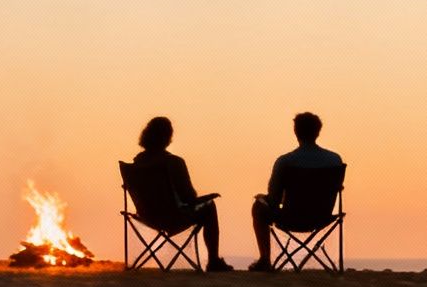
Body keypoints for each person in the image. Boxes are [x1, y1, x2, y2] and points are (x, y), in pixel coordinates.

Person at [132, 116, 233, 271]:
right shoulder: (174, 162)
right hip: (173, 217)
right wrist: (206, 198)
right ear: (168, 137)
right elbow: (189, 198)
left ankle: (213, 260)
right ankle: (213, 261)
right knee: (210, 207)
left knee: (205, 204)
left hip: (146, 216)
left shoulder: (137, 162)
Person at [250, 112, 343, 272]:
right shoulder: (334, 160)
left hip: (290, 217)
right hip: (321, 217)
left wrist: (264, 199)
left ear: (295, 131)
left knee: (258, 206)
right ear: (318, 131)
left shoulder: (285, 162)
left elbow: (273, 200)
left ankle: (265, 259)